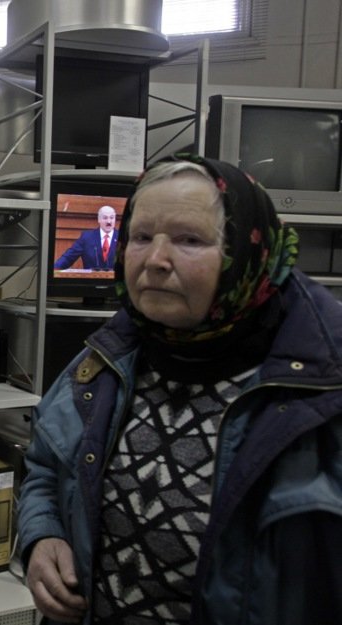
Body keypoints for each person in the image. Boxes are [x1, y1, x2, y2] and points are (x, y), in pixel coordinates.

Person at [17, 154, 342, 625]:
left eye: (189, 240)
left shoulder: (322, 390)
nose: (155, 260)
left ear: (250, 252)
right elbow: (46, 466)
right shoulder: (109, 356)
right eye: (142, 237)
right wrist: (43, 534)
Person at [53, 204, 119, 270]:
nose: (109, 221)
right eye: (105, 218)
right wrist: (51, 270)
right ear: (99, 219)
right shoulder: (87, 238)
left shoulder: (122, 238)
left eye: (112, 217)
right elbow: (68, 258)